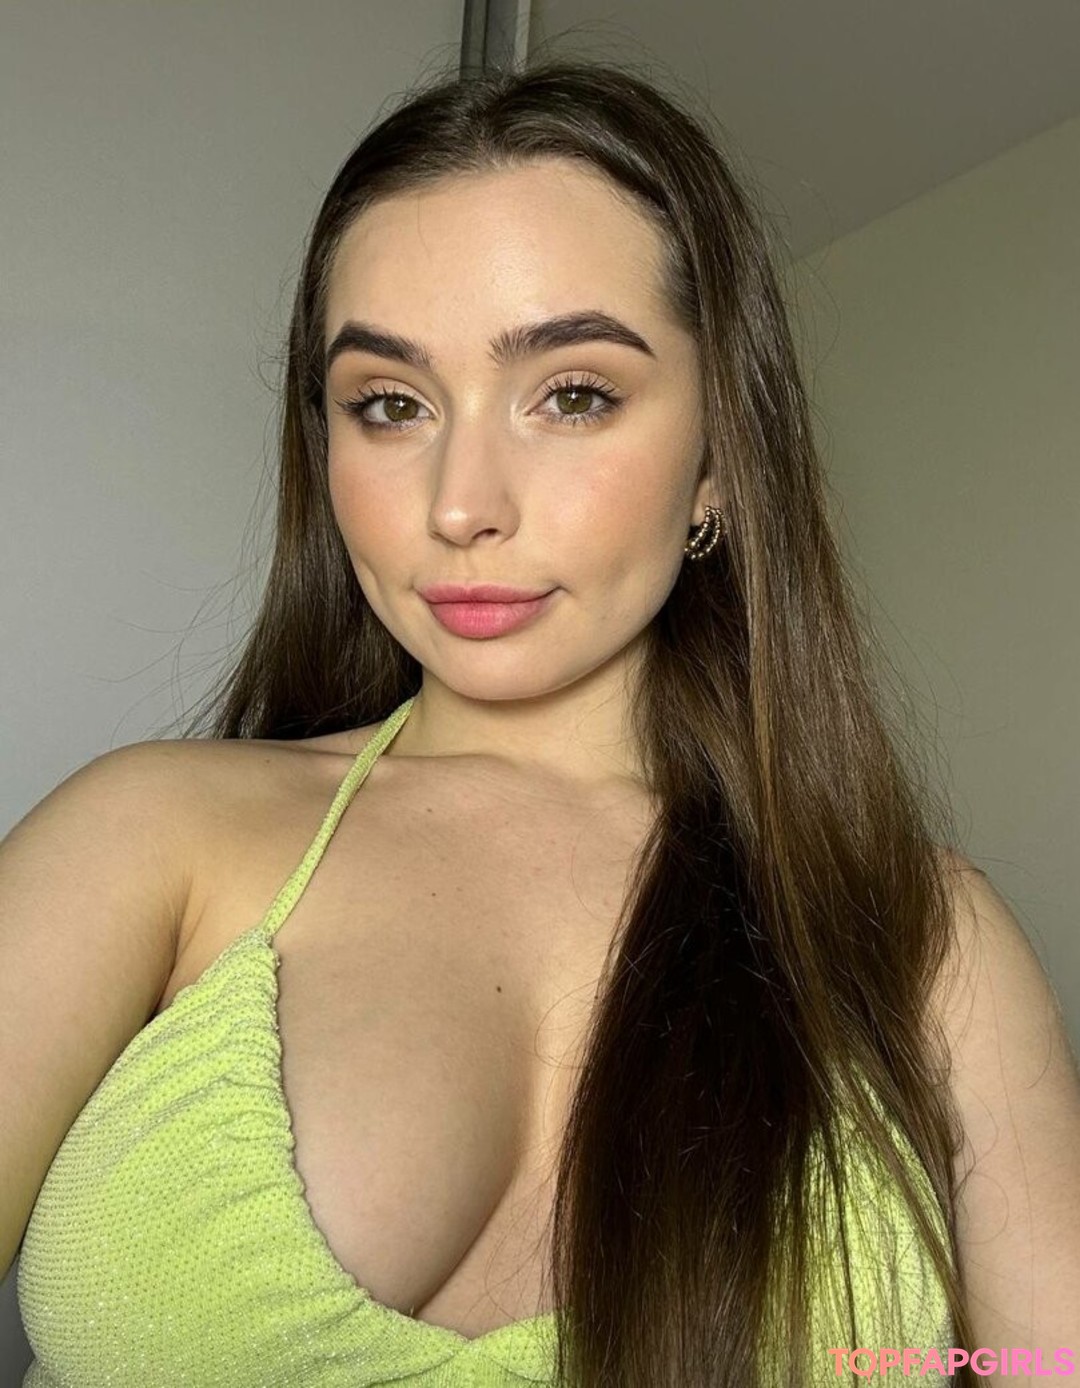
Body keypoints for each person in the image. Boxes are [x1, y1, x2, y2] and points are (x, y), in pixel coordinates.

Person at [2, 57, 1078, 1388]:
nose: (462, 505)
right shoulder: (150, 837)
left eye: (573, 394)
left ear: (719, 463)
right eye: (390, 405)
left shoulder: (922, 940)